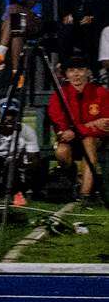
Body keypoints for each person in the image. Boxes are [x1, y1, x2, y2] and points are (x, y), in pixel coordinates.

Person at [46, 56, 109, 198]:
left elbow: (105, 124)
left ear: (88, 72)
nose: (76, 74)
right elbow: (59, 124)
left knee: (88, 141)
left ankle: (84, 195)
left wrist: (77, 129)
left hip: (96, 140)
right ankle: (72, 176)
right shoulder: (59, 95)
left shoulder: (101, 93)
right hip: (70, 140)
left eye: (80, 70)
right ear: (66, 74)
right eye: (71, 70)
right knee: (61, 152)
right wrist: (91, 124)